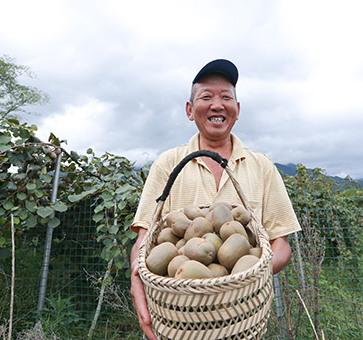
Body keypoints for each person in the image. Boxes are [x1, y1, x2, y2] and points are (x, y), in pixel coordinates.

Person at [129, 59, 301, 339]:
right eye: (206, 97)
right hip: (180, 321)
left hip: (242, 320)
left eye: (226, 97)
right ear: (189, 110)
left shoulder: (262, 166)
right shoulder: (167, 164)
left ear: (238, 109)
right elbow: (144, 241)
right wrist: (136, 281)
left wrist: (247, 278)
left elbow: (281, 244)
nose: (217, 105)